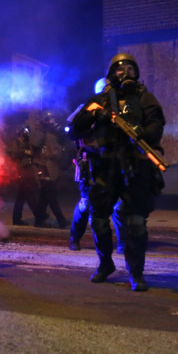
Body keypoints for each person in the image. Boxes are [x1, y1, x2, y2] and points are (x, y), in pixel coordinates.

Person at [69, 53, 166, 291]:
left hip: (135, 167)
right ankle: (105, 265)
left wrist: (140, 132)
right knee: (99, 220)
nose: (126, 74)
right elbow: (74, 130)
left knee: (135, 223)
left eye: (131, 69)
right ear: (112, 73)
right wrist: (95, 114)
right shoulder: (100, 99)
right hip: (106, 166)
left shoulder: (145, 98)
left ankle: (136, 273)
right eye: (121, 70)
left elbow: (156, 128)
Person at [67, 78, 127, 252]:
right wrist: (94, 122)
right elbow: (72, 131)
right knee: (86, 203)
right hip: (90, 161)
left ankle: (122, 242)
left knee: (119, 203)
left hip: (113, 160)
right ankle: (75, 238)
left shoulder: (120, 109)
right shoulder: (88, 107)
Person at [33, 111, 69, 228]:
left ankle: (39, 220)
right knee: (51, 195)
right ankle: (61, 220)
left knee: (44, 197)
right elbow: (53, 153)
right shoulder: (44, 135)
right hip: (45, 168)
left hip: (48, 167)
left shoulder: (47, 135)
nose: (53, 122)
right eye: (50, 120)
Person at [6, 124, 42, 225]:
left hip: (28, 172)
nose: (27, 133)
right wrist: (22, 153)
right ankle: (39, 217)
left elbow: (32, 154)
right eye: (25, 131)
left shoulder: (27, 144)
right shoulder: (15, 144)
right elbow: (12, 156)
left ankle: (17, 219)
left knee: (21, 198)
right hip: (20, 173)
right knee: (30, 196)